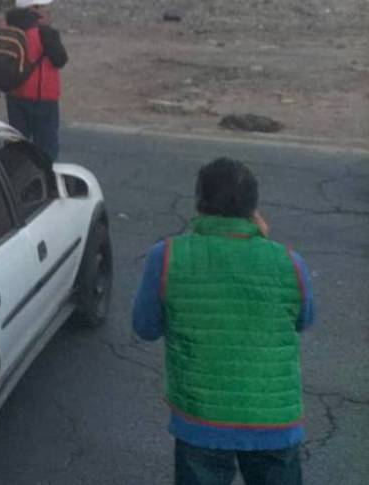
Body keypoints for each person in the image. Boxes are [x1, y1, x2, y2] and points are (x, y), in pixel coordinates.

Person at [132, 158, 315, 485]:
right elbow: (303, 320)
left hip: (201, 420)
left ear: (199, 202)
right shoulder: (290, 261)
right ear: (253, 208)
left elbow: (145, 328)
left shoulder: (167, 256)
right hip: (275, 422)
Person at [4, 0, 68, 161]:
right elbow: (60, 60)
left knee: (19, 150)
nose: (47, 10)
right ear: (33, 10)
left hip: (14, 97)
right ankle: (45, 184)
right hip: (42, 98)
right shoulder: (45, 32)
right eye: (42, 6)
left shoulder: (8, 31)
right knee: (46, 150)